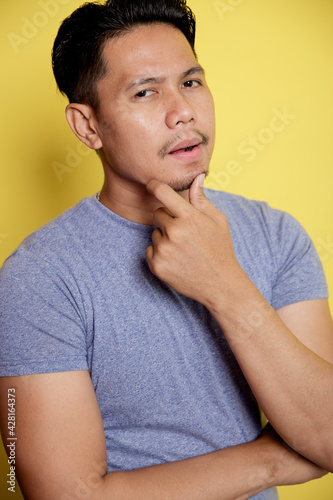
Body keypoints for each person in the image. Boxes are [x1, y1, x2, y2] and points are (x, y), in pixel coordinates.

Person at [0, 1, 332, 498]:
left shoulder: (275, 234)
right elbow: (67, 495)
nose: (184, 112)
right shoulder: (38, 278)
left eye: (192, 82)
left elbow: (326, 433)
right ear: (87, 126)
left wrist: (226, 286)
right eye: (145, 92)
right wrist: (270, 462)